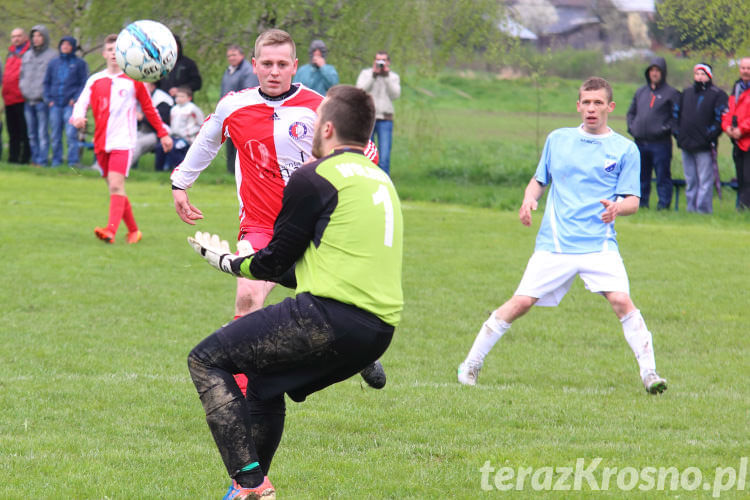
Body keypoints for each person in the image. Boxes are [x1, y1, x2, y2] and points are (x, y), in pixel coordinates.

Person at [186, 84, 403, 500]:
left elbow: (271, 262)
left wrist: (225, 260)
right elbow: (307, 266)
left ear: (327, 129)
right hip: (378, 331)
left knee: (206, 360)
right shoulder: (381, 181)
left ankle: (250, 483)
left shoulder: (315, 176)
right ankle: (245, 489)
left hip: (329, 317)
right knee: (265, 385)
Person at [171, 29, 386, 395]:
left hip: (315, 227)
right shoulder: (233, 106)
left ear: (294, 66)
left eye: (282, 64)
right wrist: (181, 183)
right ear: (254, 65)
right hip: (259, 225)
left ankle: (357, 354)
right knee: (248, 297)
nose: (274, 71)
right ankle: (240, 392)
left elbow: (364, 150)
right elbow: (207, 140)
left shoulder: (320, 107)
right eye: (266, 64)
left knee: (333, 301)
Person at [457, 77, 667, 395]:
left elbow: (633, 202)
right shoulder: (558, 139)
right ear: (578, 106)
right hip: (556, 243)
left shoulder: (625, 149)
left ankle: (649, 373)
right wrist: (530, 199)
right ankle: (470, 364)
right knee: (521, 303)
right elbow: (538, 180)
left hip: (598, 244)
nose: (591, 108)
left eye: (598, 103)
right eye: (586, 102)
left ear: (610, 107)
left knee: (622, 301)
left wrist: (616, 209)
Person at [70, 34, 173, 244]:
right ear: (104, 54)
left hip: (124, 142)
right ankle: (134, 231)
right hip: (101, 142)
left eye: (117, 50)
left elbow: (149, 109)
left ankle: (110, 231)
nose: (113, 54)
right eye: (109, 50)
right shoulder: (95, 80)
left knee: (116, 185)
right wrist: (77, 118)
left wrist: (163, 134)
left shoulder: (134, 80)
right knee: (115, 188)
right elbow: (81, 104)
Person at [626, 57, 680, 210]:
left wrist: (663, 129)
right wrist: (632, 127)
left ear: (663, 73)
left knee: (663, 176)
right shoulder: (641, 92)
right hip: (641, 142)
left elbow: (675, 117)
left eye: (657, 71)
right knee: (642, 176)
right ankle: (641, 205)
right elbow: (631, 112)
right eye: (652, 70)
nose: (654, 73)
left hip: (660, 143)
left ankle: (663, 206)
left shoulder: (671, 93)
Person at [674, 63, 728, 214]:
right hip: (686, 143)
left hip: (705, 145)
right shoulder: (686, 93)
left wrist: (709, 135)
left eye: (703, 74)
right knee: (691, 180)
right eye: (697, 74)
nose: (699, 77)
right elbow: (676, 115)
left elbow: (720, 119)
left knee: (704, 181)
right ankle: (691, 209)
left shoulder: (717, 94)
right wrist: (678, 134)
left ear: (709, 76)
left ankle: (703, 211)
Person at [43, 36, 88, 167]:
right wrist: (48, 99)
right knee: (56, 135)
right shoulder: (53, 63)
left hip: (70, 105)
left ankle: (72, 161)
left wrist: (75, 99)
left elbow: (83, 83)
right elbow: (46, 82)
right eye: (63, 44)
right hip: (55, 105)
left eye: (68, 44)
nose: (65, 47)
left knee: (70, 134)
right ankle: (56, 161)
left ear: (73, 47)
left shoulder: (80, 64)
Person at [356, 51, 400, 176]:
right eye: (378, 60)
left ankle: (384, 184)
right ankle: (367, 182)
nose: (381, 63)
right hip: (368, 118)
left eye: (383, 60)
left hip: (385, 119)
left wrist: (386, 77)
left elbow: (395, 94)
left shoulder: (393, 77)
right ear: (374, 61)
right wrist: (373, 76)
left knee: (384, 157)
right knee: (367, 154)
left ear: (388, 62)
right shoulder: (366, 74)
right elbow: (360, 90)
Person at [19, 24, 56, 166]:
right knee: (31, 133)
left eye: (39, 35)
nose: (36, 38)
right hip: (28, 100)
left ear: (45, 37)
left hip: (42, 100)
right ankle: (34, 159)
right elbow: (22, 75)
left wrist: (47, 95)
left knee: (42, 133)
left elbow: (53, 78)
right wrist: (23, 88)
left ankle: (43, 159)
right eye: (34, 36)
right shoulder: (27, 55)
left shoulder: (52, 55)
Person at [220, 44, 259, 175]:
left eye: (234, 55)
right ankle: (231, 171)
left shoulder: (248, 71)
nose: (231, 58)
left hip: (242, 113)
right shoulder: (229, 70)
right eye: (229, 56)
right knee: (230, 142)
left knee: (240, 143)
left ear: (241, 55)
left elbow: (247, 92)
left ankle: (241, 171)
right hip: (229, 113)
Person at [722, 57, 750, 210]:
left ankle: (745, 210)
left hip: (748, 140)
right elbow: (728, 111)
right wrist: (727, 128)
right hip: (737, 142)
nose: (745, 71)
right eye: (743, 68)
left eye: (748, 68)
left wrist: (742, 129)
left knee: (748, 178)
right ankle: (742, 209)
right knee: (740, 177)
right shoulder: (736, 88)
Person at [2, 27, 31, 164]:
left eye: (19, 36)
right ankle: (12, 158)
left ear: (25, 37)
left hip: (22, 98)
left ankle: (24, 158)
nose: (16, 39)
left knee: (24, 131)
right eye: (14, 36)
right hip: (9, 98)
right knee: (12, 131)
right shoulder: (10, 54)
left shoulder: (29, 53)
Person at [133, 81, 173, 171]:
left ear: (152, 85)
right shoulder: (140, 95)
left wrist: (142, 118)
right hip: (143, 130)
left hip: (159, 134)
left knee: (137, 144)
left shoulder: (162, 100)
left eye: (145, 84)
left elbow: (163, 122)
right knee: (127, 140)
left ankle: (122, 169)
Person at [163, 86, 203, 169]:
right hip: (174, 136)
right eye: (177, 96)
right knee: (161, 147)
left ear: (189, 98)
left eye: (182, 96)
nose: (179, 99)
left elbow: (201, 124)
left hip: (187, 138)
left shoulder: (193, 109)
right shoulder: (174, 109)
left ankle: (181, 169)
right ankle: (162, 169)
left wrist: (193, 134)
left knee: (177, 147)